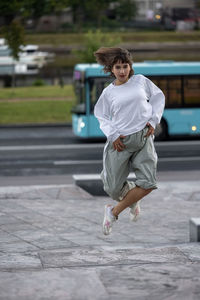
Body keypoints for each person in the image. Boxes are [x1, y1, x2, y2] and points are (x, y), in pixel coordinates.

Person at [94, 47, 165, 235]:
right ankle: (132, 199)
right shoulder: (108, 93)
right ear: (111, 70)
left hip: (143, 138)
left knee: (149, 182)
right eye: (118, 67)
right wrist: (113, 135)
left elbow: (158, 97)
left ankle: (113, 212)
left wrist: (153, 120)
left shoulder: (140, 81)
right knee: (112, 188)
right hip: (121, 142)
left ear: (130, 67)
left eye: (125, 66)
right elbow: (100, 115)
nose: (122, 71)